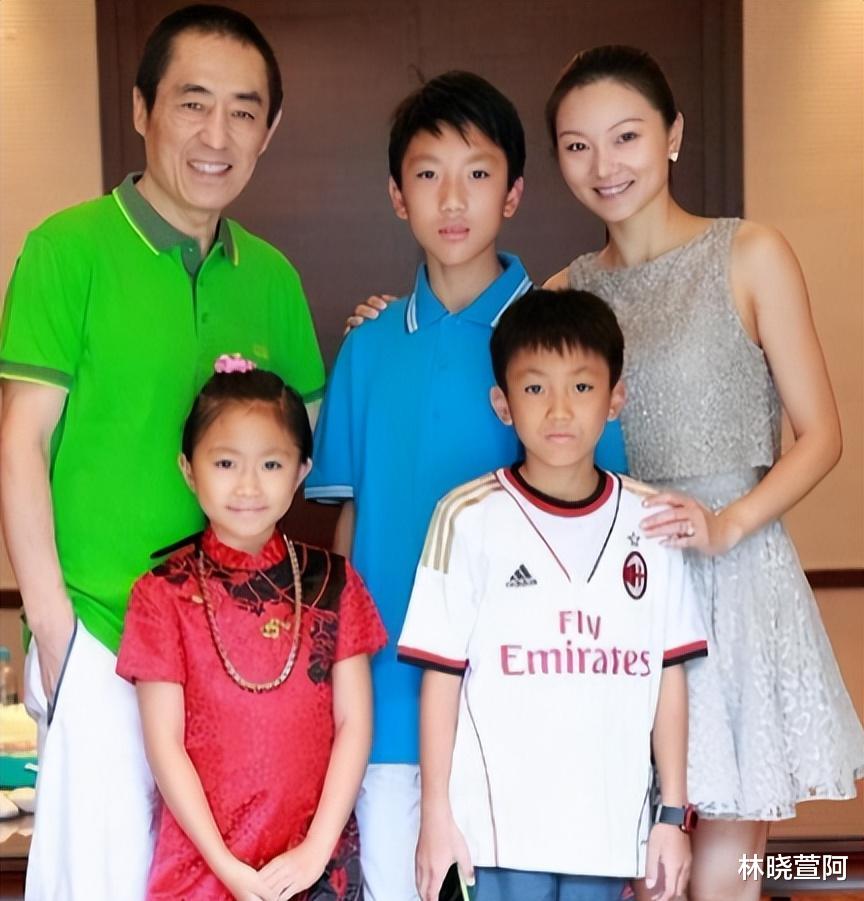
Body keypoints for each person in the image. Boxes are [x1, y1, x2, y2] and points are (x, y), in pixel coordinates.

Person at [0, 7, 324, 899]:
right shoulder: (68, 249)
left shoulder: (273, 277)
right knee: (104, 881)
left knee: (224, 877)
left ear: (269, 129)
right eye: (192, 103)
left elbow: (303, 450)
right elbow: (20, 440)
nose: (217, 135)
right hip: (104, 634)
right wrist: (56, 630)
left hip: (240, 650)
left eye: (244, 111)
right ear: (142, 107)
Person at [542, 44, 864, 901]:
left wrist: (728, 524)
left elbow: (823, 434)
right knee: (642, 868)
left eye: (626, 136)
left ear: (673, 134)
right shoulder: (562, 295)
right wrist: (384, 318)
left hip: (734, 572)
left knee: (727, 871)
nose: (604, 166)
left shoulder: (749, 252)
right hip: (621, 588)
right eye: (577, 146)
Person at [307, 71, 624, 901]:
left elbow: (601, 523)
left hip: (528, 700)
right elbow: (350, 528)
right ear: (396, 194)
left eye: (478, 173)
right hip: (388, 707)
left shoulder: (560, 345)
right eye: (428, 174)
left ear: (514, 193)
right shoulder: (368, 348)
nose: (453, 199)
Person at [398, 288, 706, 901]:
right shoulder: (466, 516)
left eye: (582, 387)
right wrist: (435, 817)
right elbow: (441, 679)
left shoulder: (654, 520)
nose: (560, 409)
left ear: (616, 398)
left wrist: (672, 816)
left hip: (607, 833)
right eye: (535, 387)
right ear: (503, 403)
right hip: (495, 836)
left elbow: (668, 675)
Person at [116, 359, 386, 901]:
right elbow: (164, 744)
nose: (247, 485)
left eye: (270, 464)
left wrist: (316, 851)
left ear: (302, 471)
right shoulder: (161, 593)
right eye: (224, 463)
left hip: (313, 866)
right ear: (188, 469)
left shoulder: (334, 582)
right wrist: (226, 867)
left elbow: (354, 723)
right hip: (201, 867)